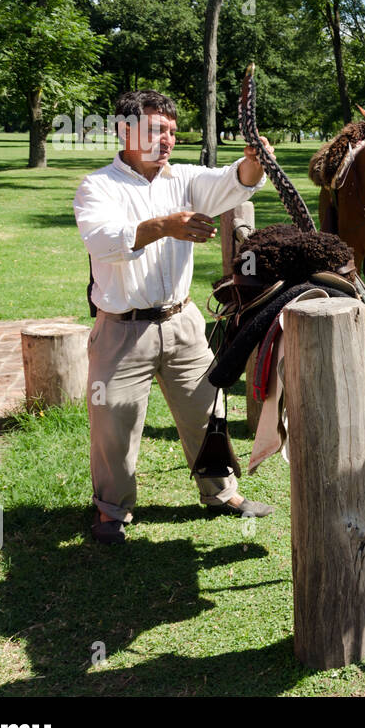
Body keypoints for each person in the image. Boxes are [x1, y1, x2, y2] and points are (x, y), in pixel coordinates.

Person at [73, 89, 274, 545]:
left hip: (183, 324)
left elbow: (231, 183)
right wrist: (164, 226)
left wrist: (254, 161)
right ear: (125, 131)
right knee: (114, 422)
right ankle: (111, 511)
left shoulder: (182, 178)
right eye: (156, 129)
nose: (168, 138)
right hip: (122, 329)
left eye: (171, 130)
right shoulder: (97, 186)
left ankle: (222, 493)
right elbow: (104, 241)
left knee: (208, 410)